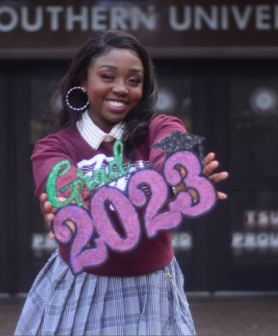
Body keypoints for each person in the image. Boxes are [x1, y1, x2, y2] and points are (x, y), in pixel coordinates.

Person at [15, 30, 228, 336]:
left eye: (133, 80)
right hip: (81, 289)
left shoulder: (162, 126)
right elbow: (64, 189)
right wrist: (71, 210)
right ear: (84, 83)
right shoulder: (53, 147)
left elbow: (175, 147)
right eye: (107, 76)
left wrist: (181, 176)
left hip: (152, 290)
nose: (121, 88)